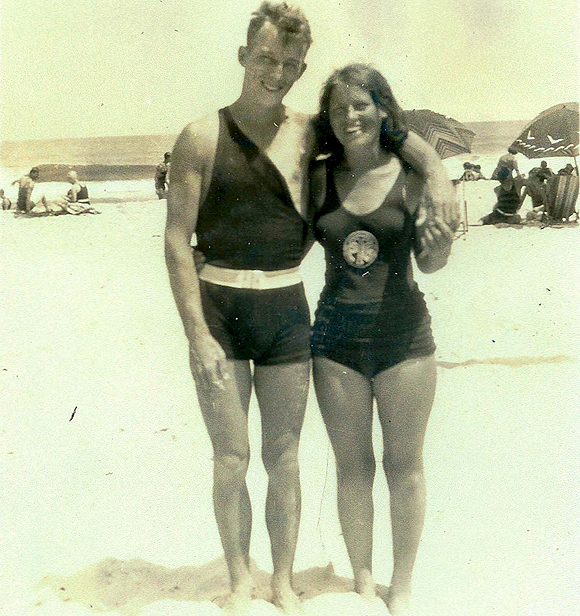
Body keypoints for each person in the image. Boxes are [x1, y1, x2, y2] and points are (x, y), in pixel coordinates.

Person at [165, 3, 455, 613]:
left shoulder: (308, 132)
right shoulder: (200, 136)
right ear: (245, 56)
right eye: (266, 58)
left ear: (300, 72)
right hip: (220, 306)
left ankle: (283, 580)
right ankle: (242, 578)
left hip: (287, 308)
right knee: (230, 457)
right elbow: (174, 240)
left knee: (284, 455)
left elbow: (393, 137)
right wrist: (197, 335)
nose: (275, 72)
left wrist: (438, 177)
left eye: (289, 64)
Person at [309, 64, 455, 615]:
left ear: (383, 109)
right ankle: (364, 579)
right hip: (335, 343)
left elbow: (430, 261)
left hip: (405, 342)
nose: (351, 117)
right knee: (353, 467)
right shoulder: (317, 179)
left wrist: (439, 250)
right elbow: (285, 240)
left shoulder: (411, 178)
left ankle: (405, 582)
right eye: (340, 108)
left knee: (405, 465)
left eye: (362, 105)